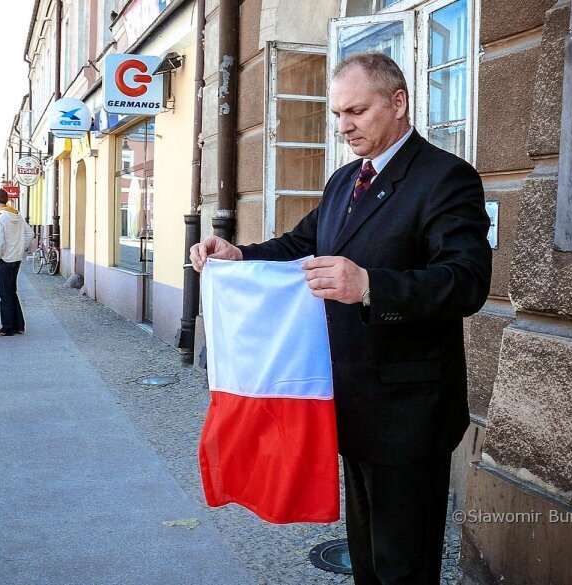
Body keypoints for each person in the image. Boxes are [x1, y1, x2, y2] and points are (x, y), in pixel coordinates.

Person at [190, 52, 492, 585]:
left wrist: (371, 285)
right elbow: (300, 245)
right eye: (336, 114)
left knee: (404, 563)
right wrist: (240, 255)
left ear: (398, 103)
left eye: (356, 110)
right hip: (349, 399)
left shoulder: (446, 178)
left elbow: (466, 281)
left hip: (410, 412)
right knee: (368, 558)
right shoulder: (344, 180)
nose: (344, 125)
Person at [0, 188, 33, 337]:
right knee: (12, 291)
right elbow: (30, 233)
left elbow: (0, 242)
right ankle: (18, 325)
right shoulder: (17, 214)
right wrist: (22, 248)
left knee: (5, 294)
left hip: (4, 260)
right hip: (16, 258)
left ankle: (7, 327)